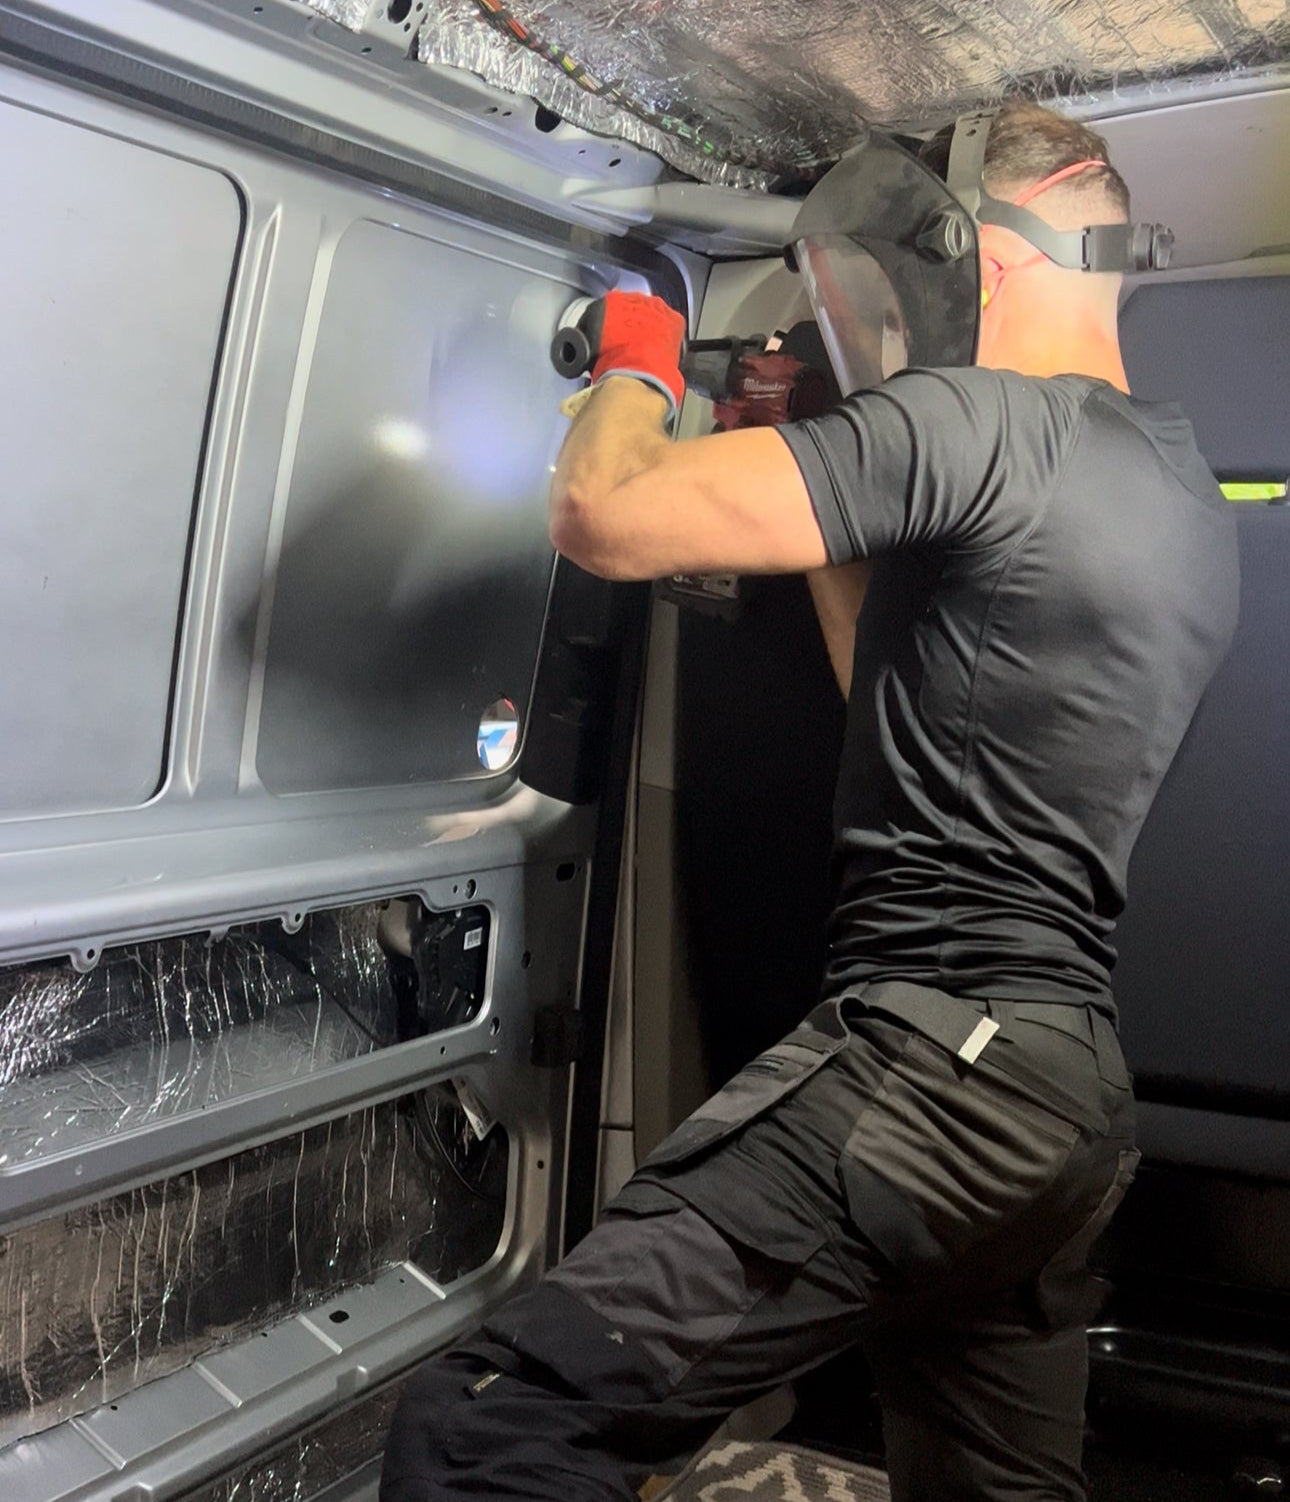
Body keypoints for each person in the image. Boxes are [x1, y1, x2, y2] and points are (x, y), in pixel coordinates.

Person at [381, 101, 1239, 1502]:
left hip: (931, 1068)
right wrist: (820, 493)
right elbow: (906, 696)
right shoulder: (1176, 486)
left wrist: (640, 357)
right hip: (1060, 1106)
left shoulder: (976, 419)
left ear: (981, 253)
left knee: (485, 1432)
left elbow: (606, 511)